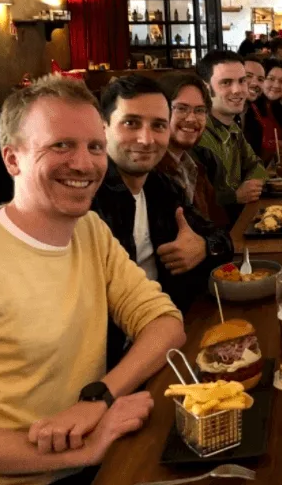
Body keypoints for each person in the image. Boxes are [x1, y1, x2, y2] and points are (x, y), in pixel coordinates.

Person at [0, 75, 185, 485]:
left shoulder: (90, 231)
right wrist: (81, 449)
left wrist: (99, 397)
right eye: (61, 145)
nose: (85, 164)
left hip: (94, 466)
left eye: (95, 147)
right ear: (12, 159)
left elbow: (166, 325)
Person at [91, 75, 232, 368]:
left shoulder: (161, 187)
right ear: (103, 128)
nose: (146, 139)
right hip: (111, 361)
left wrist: (204, 247)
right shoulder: (88, 198)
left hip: (167, 340)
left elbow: (221, 237)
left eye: (157, 125)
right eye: (131, 123)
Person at [196, 52, 268, 220]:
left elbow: (256, 164)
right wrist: (235, 196)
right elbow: (196, 202)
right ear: (205, 88)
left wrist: (250, 187)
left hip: (239, 222)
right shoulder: (197, 134)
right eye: (226, 82)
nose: (238, 90)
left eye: (242, 81)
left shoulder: (232, 126)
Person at [157, 73, 230, 228]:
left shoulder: (196, 167)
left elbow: (219, 226)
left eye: (199, 110)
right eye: (181, 108)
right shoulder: (152, 171)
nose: (191, 118)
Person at [248, 58, 282, 164]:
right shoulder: (250, 107)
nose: (277, 85)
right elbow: (258, 148)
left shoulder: (278, 106)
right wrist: (279, 144)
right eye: (271, 79)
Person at [242, 55, 267, 155]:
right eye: (248, 76)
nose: (255, 83)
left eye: (260, 79)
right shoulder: (223, 114)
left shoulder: (254, 111)